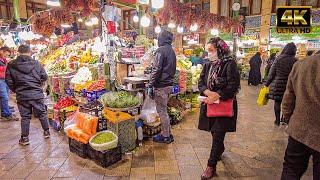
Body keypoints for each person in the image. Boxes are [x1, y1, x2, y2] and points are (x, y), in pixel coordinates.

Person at [198, 37, 240, 179]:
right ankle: (220, 149)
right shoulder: (208, 64)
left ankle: (211, 166)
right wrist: (207, 92)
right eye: (207, 51)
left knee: (217, 134)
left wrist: (218, 95)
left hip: (223, 105)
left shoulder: (230, 64)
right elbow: (201, 82)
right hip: (209, 104)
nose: (209, 54)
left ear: (220, 50)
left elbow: (233, 85)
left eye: (211, 50)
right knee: (214, 133)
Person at [280, 53, 320, 179]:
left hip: (298, 130)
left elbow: (288, 98)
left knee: (291, 170)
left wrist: (288, 117)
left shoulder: (301, 64)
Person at [5, 45, 50, 145]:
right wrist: (37, 85)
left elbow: (8, 80)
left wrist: (16, 89)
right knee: (42, 113)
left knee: (25, 116)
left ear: (18, 52)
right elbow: (44, 76)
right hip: (36, 93)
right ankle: (46, 132)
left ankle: (25, 138)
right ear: (29, 52)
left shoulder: (11, 64)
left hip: (22, 94)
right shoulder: (36, 63)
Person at [148, 30, 176, 144]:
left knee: (162, 111)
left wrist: (150, 85)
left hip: (161, 86)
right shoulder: (171, 51)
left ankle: (165, 136)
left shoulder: (160, 50)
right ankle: (168, 132)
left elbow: (156, 69)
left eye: (159, 37)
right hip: (168, 85)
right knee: (164, 110)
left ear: (162, 38)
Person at [265, 42, 297, 126]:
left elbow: (271, 73)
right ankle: (285, 118)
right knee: (288, 101)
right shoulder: (295, 61)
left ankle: (277, 120)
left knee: (277, 102)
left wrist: (266, 84)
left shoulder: (278, 59)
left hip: (278, 84)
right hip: (290, 85)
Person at [0, 47, 18, 121]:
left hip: (4, 79)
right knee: (4, 97)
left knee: (5, 96)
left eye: (7, 55)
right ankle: (7, 114)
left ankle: (5, 111)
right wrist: (7, 67)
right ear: (1, 51)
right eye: (5, 54)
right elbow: (2, 68)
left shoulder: (3, 60)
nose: (6, 56)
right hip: (0, 80)